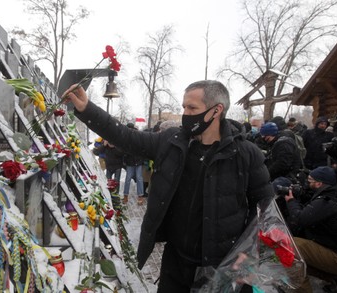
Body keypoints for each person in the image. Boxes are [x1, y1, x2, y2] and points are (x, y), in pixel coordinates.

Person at [63, 80, 274, 292]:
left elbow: (265, 208)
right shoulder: (172, 142)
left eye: (192, 108)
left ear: (216, 110)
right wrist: (87, 109)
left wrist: (249, 252)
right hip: (175, 261)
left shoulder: (245, 154)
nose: (185, 113)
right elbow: (126, 138)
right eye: (183, 107)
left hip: (222, 266)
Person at [284, 166, 337, 293]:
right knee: (302, 252)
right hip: (334, 249)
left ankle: (302, 290)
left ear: (319, 183)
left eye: (309, 181)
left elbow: (300, 220)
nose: (306, 184)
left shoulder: (326, 202)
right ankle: (332, 278)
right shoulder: (332, 195)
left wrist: (291, 201)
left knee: (289, 245)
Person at [122, 123, 145, 204]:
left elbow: (142, 147)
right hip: (130, 161)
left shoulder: (138, 135)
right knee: (128, 178)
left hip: (138, 160)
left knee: (139, 178)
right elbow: (124, 150)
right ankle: (125, 196)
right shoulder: (125, 137)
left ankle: (140, 196)